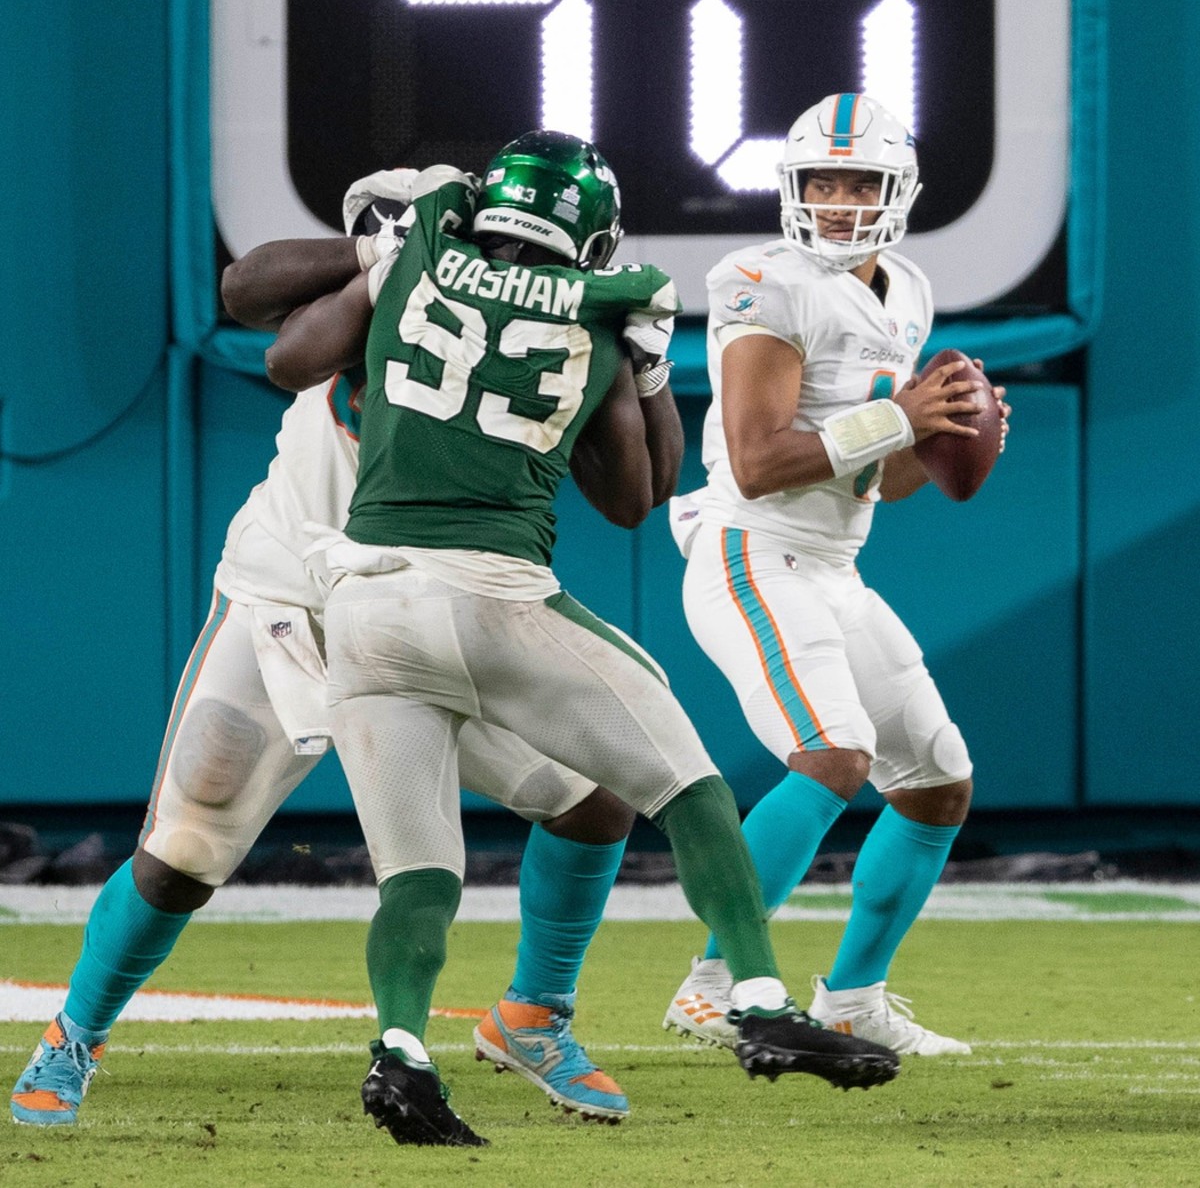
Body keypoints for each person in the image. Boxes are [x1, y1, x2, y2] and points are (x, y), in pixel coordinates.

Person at [264, 130, 902, 1148]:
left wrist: (386, 261)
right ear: (590, 235)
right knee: (687, 787)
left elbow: (278, 351)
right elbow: (639, 494)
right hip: (491, 591)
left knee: (418, 870)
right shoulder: (608, 307)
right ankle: (756, 996)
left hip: (363, 602)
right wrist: (646, 371)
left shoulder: (419, 249)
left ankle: (402, 1047)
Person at [9, 171, 637, 1131]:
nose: (514, 264)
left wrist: (634, 361)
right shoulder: (398, 271)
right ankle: (73, 1035)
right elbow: (256, 303)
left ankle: (533, 1014)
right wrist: (384, 254)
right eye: (504, 243)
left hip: (432, 615)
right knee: (183, 852)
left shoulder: (553, 335)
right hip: (293, 606)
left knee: (595, 797)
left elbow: (631, 489)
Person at [662, 93, 1010, 1057]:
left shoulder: (907, 288)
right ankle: (717, 982)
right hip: (750, 551)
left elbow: (884, 482)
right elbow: (761, 457)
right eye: (823, 180)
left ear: (899, 191)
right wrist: (905, 415)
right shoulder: (760, 277)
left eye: (861, 181)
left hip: (833, 565)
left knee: (938, 781)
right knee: (833, 754)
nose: (840, 200)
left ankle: (853, 995)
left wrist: (943, 436)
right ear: (793, 187)